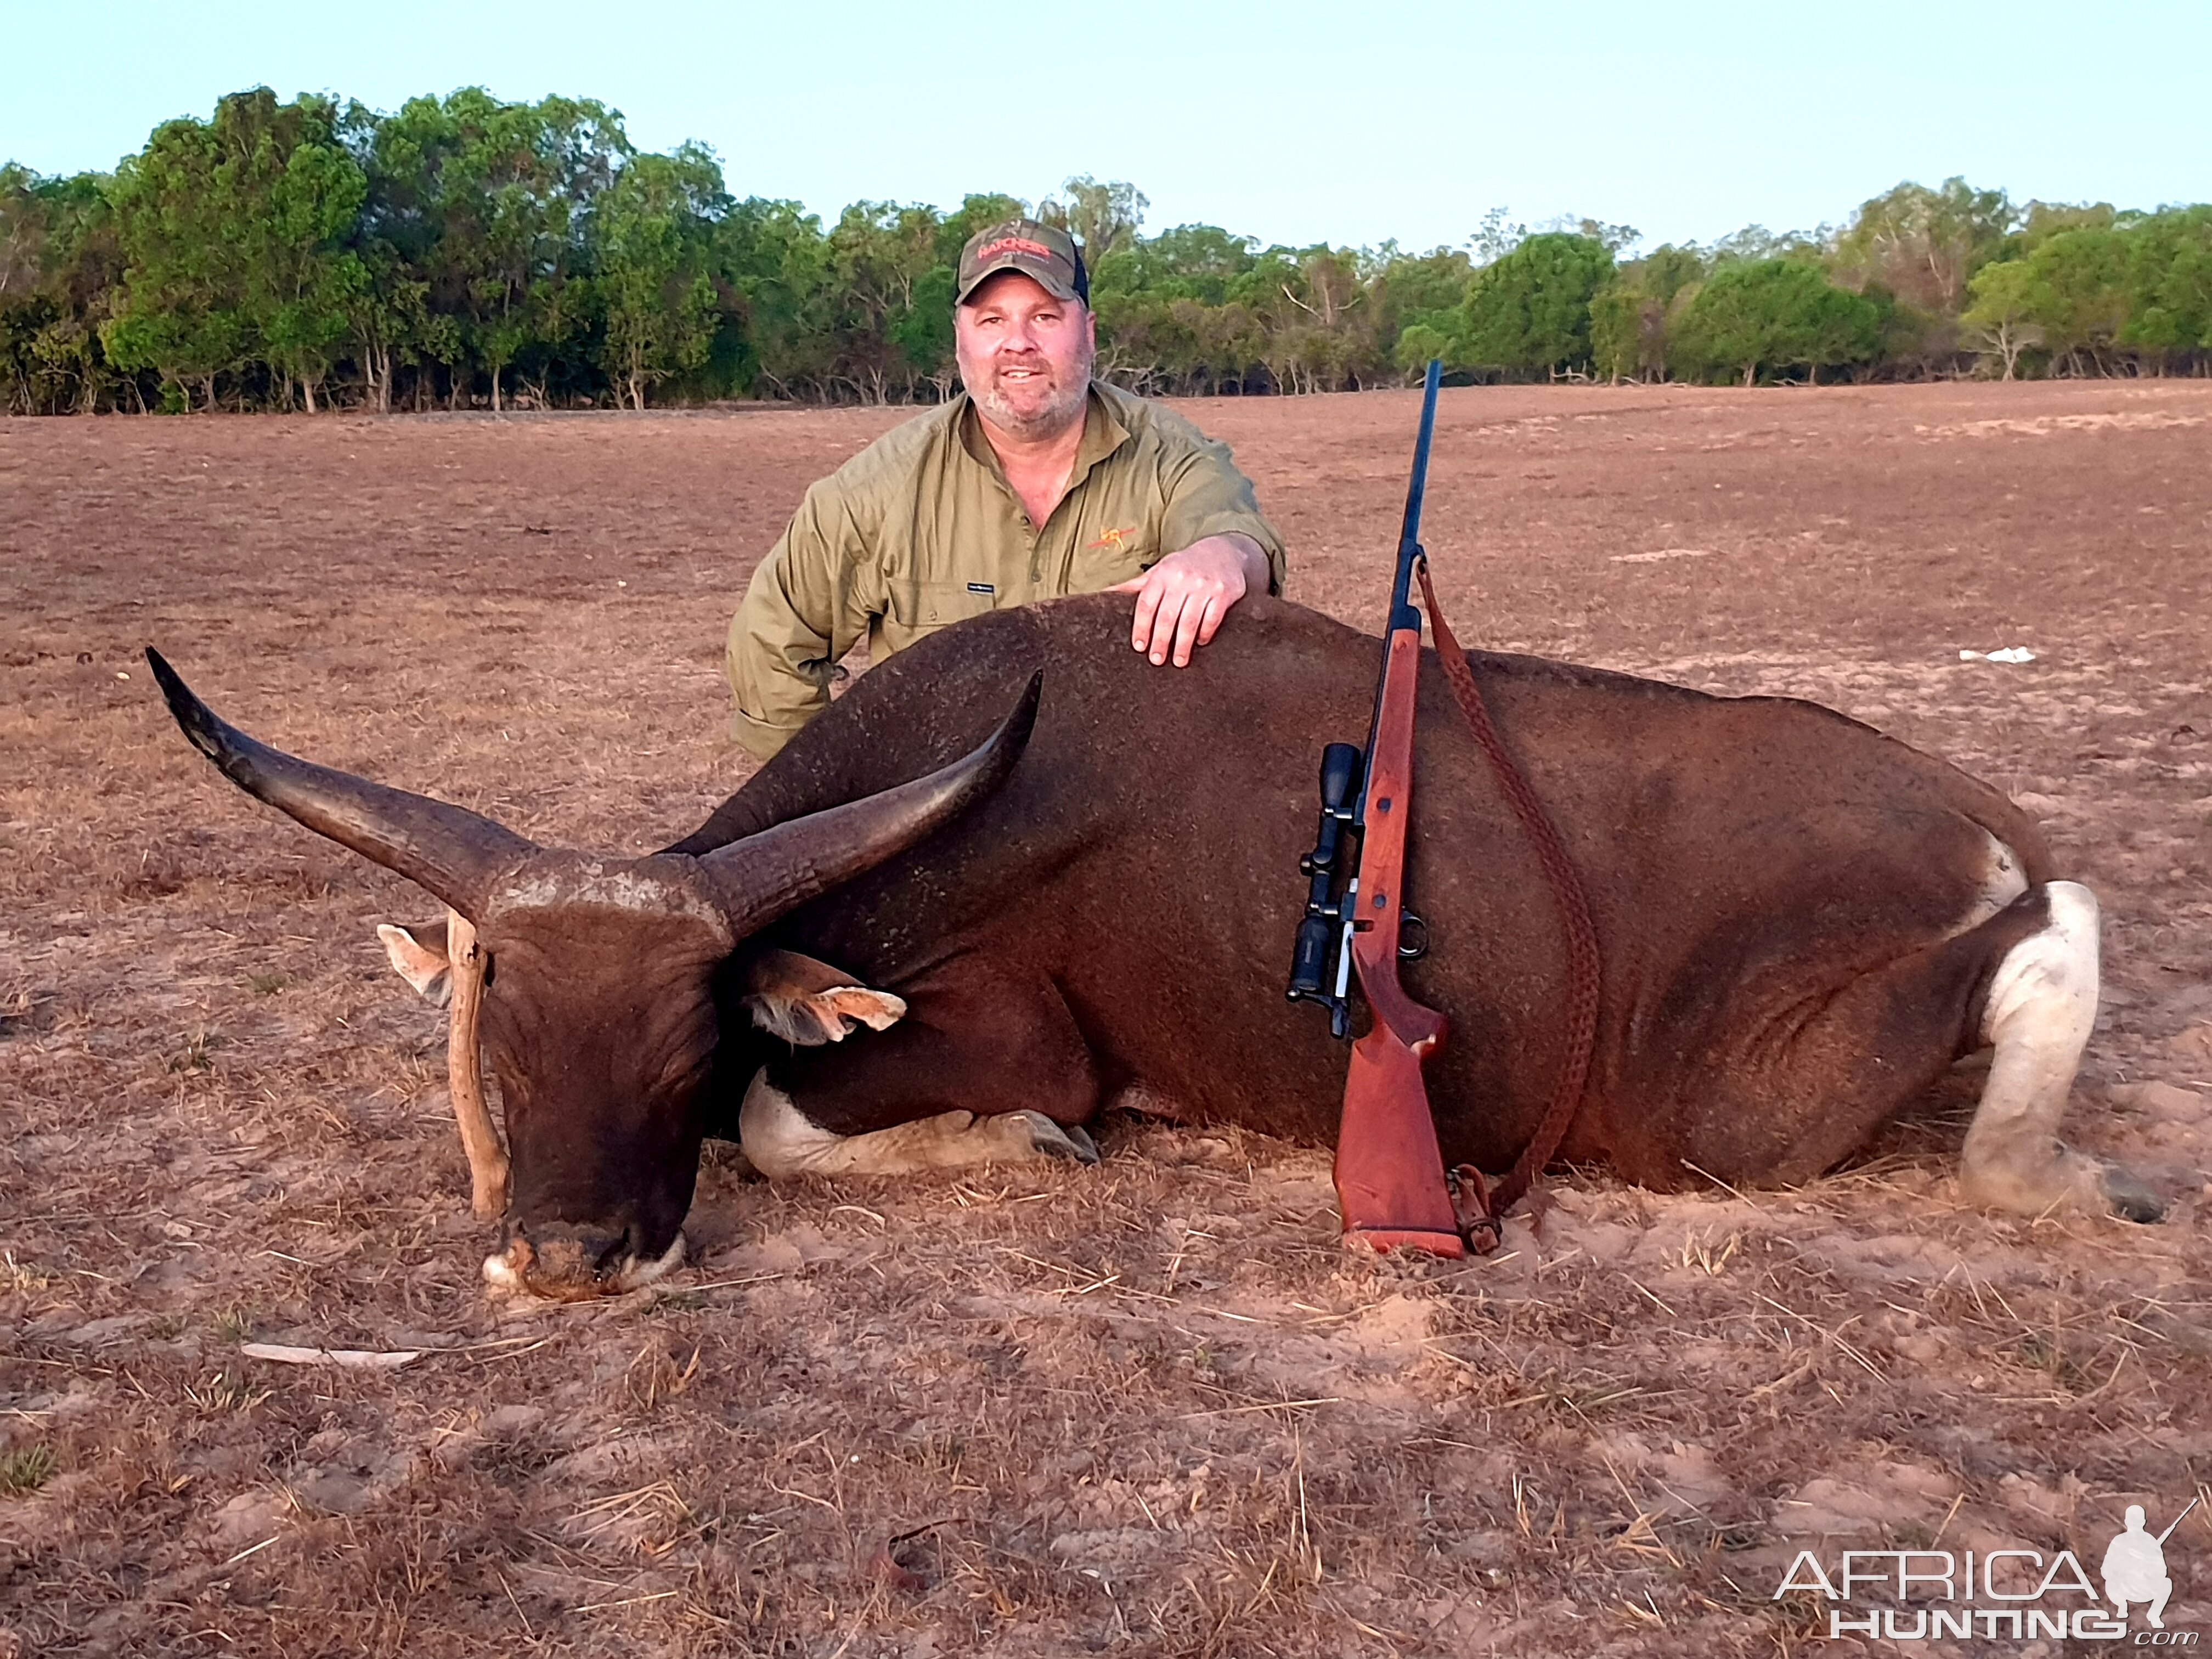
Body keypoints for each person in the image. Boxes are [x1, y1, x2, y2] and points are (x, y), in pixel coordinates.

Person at [725, 217, 1286, 761]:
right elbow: (772, 644)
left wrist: (1222, 556)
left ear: (1087, 332)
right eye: (992, 320)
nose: (1017, 344)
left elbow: (1235, 532)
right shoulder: (876, 489)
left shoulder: (1170, 455)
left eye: (1043, 317)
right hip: (943, 829)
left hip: (1118, 819)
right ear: (960, 339)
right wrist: (839, 810)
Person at [2103, 1505, 2174, 1627]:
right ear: (2126, 1522)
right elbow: (2106, 1570)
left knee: (2166, 1584)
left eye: (2137, 1521)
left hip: (2145, 1588)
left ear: (2144, 1522)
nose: (2135, 1524)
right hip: (2124, 1588)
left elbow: (2162, 1571)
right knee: (2110, 1583)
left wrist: (2147, 1569)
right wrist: (2123, 1570)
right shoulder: (2119, 1541)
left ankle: (2154, 1615)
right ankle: (2122, 1606)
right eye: (2132, 1521)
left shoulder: (2151, 1542)